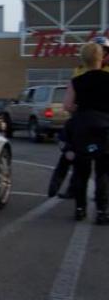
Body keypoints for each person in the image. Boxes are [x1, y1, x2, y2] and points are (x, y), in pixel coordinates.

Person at [49, 36, 109, 199]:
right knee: (73, 151)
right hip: (84, 117)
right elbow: (70, 102)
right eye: (100, 50)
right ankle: (71, 188)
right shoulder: (79, 70)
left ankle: (100, 197)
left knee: (102, 162)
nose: (102, 53)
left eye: (105, 50)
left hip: (101, 119)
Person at [64, 42, 109, 224]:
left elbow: (67, 106)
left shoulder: (76, 81)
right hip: (105, 128)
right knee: (103, 172)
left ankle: (80, 209)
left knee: (81, 171)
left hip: (82, 128)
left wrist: (81, 108)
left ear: (83, 59)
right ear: (101, 58)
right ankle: (101, 211)